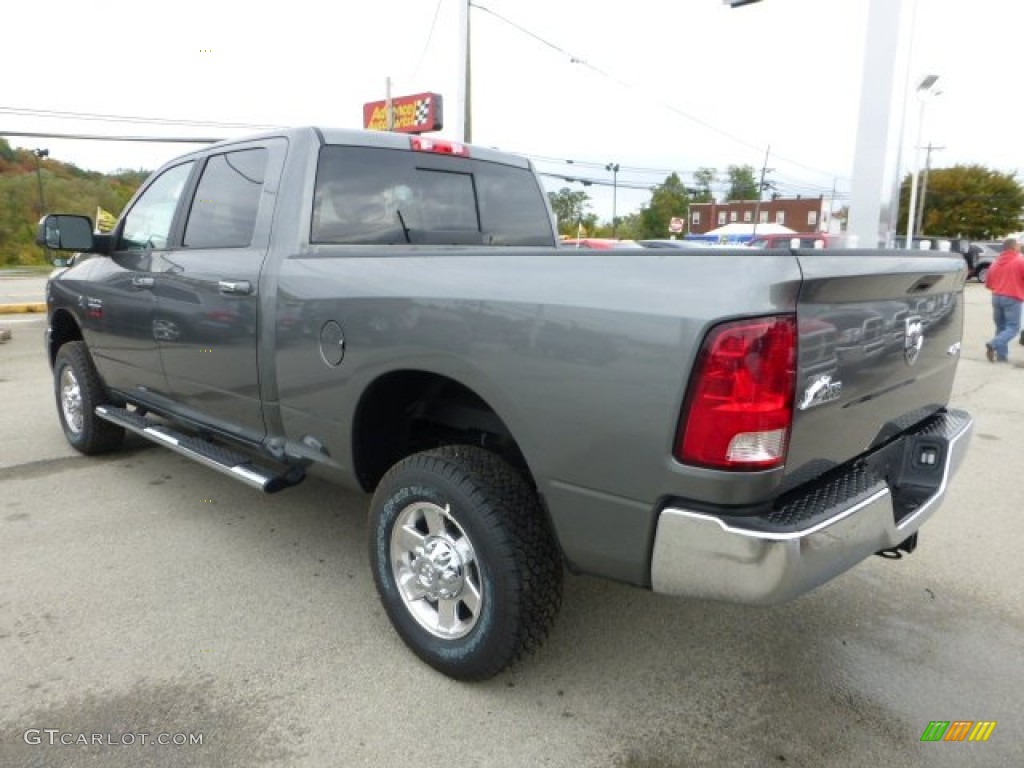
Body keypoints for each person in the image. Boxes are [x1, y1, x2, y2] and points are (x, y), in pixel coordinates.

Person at [984, 237, 1024, 363]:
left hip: (996, 296)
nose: (1020, 247)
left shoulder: (995, 261)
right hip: (1013, 297)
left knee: (1000, 326)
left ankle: (1002, 356)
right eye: (1018, 245)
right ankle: (993, 343)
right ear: (1013, 247)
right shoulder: (1020, 260)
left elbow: (988, 283)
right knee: (1013, 328)